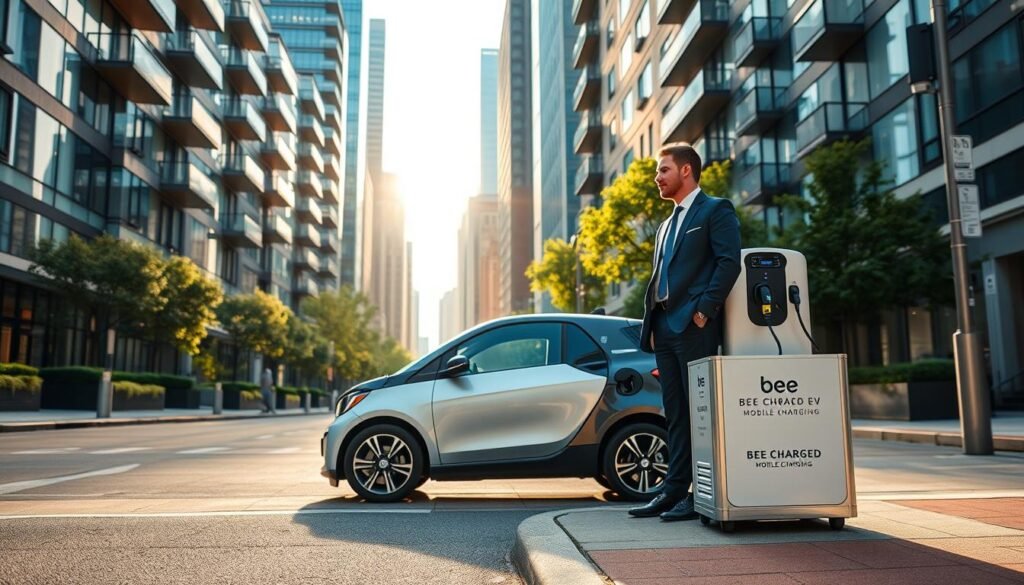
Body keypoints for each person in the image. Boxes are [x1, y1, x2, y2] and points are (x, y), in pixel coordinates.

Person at [629, 143, 741, 522]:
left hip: (694, 327)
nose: (657, 178)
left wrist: (703, 311)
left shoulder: (715, 210)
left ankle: (700, 495)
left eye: (663, 170)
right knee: (675, 413)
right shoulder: (664, 225)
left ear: (686, 171)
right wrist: (656, 322)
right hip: (664, 326)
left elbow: (729, 263)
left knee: (699, 412)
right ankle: (673, 491)